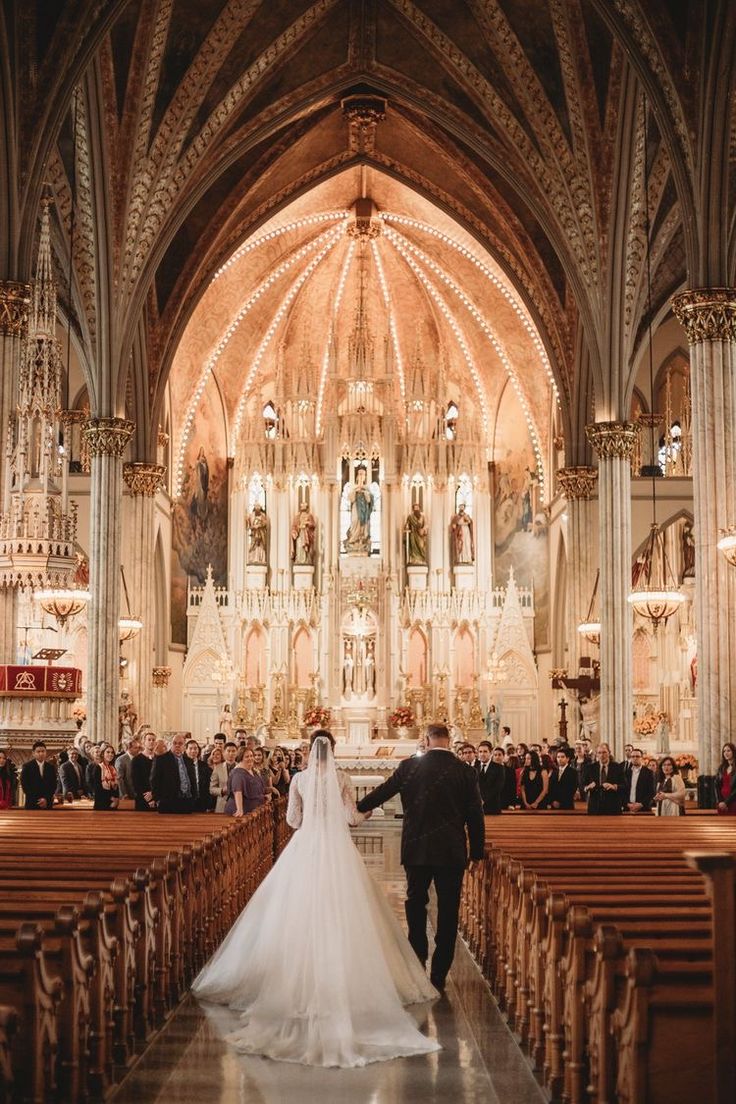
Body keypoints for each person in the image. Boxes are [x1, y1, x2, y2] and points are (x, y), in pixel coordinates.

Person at [192, 732, 439, 1067]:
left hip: (305, 847)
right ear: (334, 751)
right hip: (338, 851)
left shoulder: (300, 779)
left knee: (293, 912)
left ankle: (292, 979)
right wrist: (367, 814)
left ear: (311, 750)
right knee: (345, 912)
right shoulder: (341, 778)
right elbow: (351, 817)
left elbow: (294, 819)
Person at [356, 723, 485, 992]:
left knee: (416, 902)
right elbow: (475, 814)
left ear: (426, 740)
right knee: (449, 910)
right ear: (448, 741)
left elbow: (382, 793)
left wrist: (354, 808)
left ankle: (418, 956)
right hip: (451, 850)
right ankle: (439, 973)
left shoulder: (409, 767)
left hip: (417, 848)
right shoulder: (465, 771)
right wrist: (477, 853)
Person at [151, 733, 196, 814]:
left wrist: (194, 797)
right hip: (168, 803)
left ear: (184, 747)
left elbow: (193, 781)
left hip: (187, 802)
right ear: (170, 744)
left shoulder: (188, 761)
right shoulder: (161, 760)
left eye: (180, 743)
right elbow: (154, 780)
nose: (177, 745)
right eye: (174, 743)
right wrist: (157, 799)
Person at [224, 747, 270, 816]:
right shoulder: (238, 773)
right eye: (247, 756)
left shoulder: (252, 770)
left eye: (251, 756)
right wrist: (239, 809)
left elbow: (256, 787)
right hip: (243, 812)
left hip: (254, 811)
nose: (250, 758)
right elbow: (237, 791)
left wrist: (268, 792)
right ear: (241, 758)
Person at [582, 743, 626, 815]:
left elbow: (625, 785)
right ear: (596, 754)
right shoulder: (590, 768)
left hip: (613, 806)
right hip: (595, 806)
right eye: (599, 753)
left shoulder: (617, 767)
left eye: (604, 752)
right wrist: (587, 787)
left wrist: (614, 786)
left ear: (609, 753)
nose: (602, 755)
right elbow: (583, 785)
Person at [344, 465, 373, 553]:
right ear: (357, 476)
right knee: (355, 520)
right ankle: (353, 540)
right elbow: (350, 498)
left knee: (363, 525)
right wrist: (356, 491)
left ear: (365, 477)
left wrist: (364, 493)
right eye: (359, 474)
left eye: (363, 474)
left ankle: (362, 540)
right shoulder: (354, 488)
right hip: (356, 508)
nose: (361, 476)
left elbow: (369, 500)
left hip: (364, 510)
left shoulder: (367, 488)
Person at [20, 741, 58, 809]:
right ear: (33, 753)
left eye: (43, 751)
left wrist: (45, 799)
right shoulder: (27, 767)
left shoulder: (51, 767)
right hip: (32, 804)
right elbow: (25, 786)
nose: (41, 753)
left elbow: (53, 785)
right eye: (38, 751)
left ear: (46, 752)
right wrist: (38, 800)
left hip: (47, 804)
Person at [476, 740, 505, 814]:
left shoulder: (499, 768)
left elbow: (498, 787)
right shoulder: (474, 768)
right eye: (480, 752)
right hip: (477, 807)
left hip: (493, 807)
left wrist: (483, 799)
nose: (482, 754)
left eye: (485, 751)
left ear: (491, 753)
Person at [87, 744, 120, 810]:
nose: (110, 754)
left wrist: (116, 799)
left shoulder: (113, 768)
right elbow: (97, 788)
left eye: (112, 752)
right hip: (102, 802)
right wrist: (111, 798)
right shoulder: (98, 767)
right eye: (108, 752)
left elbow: (116, 786)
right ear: (102, 754)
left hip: (113, 803)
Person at [623, 747, 655, 813]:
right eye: (633, 756)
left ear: (642, 758)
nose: (635, 758)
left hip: (643, 808)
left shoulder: (648, 773)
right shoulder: (625, 773)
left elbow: (651, 792)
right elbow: (622, 791)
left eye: (637, 756)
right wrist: (628, 804)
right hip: (628, 808)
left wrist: (641, 804)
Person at [185, 738, 212, 811]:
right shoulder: (182, 765)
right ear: (186, 750)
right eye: (190, 748)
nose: (193, 751)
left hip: (201, 800)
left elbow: (207, 783)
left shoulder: (204, 765)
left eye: (195, 748)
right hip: (186, 801)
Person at [715, 742, 736, 815]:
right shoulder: (721, 767)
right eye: (724, 751)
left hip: (733, 801)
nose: (726, 753)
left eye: (728, 750)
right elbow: (716, 785)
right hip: (721, 802)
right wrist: (720, 802)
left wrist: (726, 803)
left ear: (733, 752)